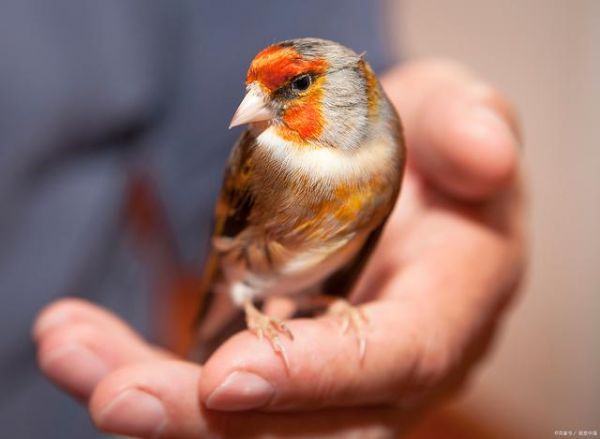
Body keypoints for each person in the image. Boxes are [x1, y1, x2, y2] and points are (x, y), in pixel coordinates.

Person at [2, 1, 524, 437]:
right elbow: (224, 233)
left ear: (351, 92)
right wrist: (248, 306)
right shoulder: (261, 159)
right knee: (217, 347)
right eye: (255, 89)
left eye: (295, 85)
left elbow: (203, 161)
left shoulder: (391, 150)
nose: (253, 105)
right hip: (64, 395)